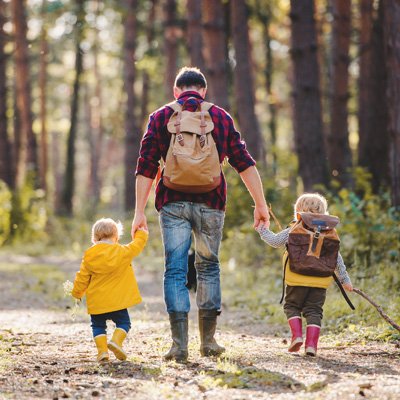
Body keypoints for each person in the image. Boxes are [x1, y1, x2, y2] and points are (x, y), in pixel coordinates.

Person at [132, 67, 270, 361]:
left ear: (175, 91)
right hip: (211, 203)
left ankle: (178, 345)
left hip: (172, 203)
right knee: (208, 268)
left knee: (175, 270)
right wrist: (260, 204)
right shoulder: (219, 117)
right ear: (203, 91)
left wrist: (138, 213)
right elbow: (242, 161)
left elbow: (146, 166)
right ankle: (209, 342)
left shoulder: (160, 117)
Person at [257, 193, 353, 356]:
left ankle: (297, 336)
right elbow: (336, 258)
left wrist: (261, 229)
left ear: (298, 212)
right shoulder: (329, 232)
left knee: (292, 306)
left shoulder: (294, 229)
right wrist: (345, 280)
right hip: (320, 281)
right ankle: (311, 346)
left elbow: (274, 241)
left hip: (296, 279)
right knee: (314, 311)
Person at [71, 218, 148, 362]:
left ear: (94, 239)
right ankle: (116, 342)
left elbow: (82, 278)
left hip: (97, 302)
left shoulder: (89, 256)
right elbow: (137, 245)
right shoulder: (122, 251)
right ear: (116, 238)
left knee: (98, 325)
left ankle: (102, 352)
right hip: (117, 302)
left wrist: (77, 293)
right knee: (124, 323)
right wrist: (142, 233)